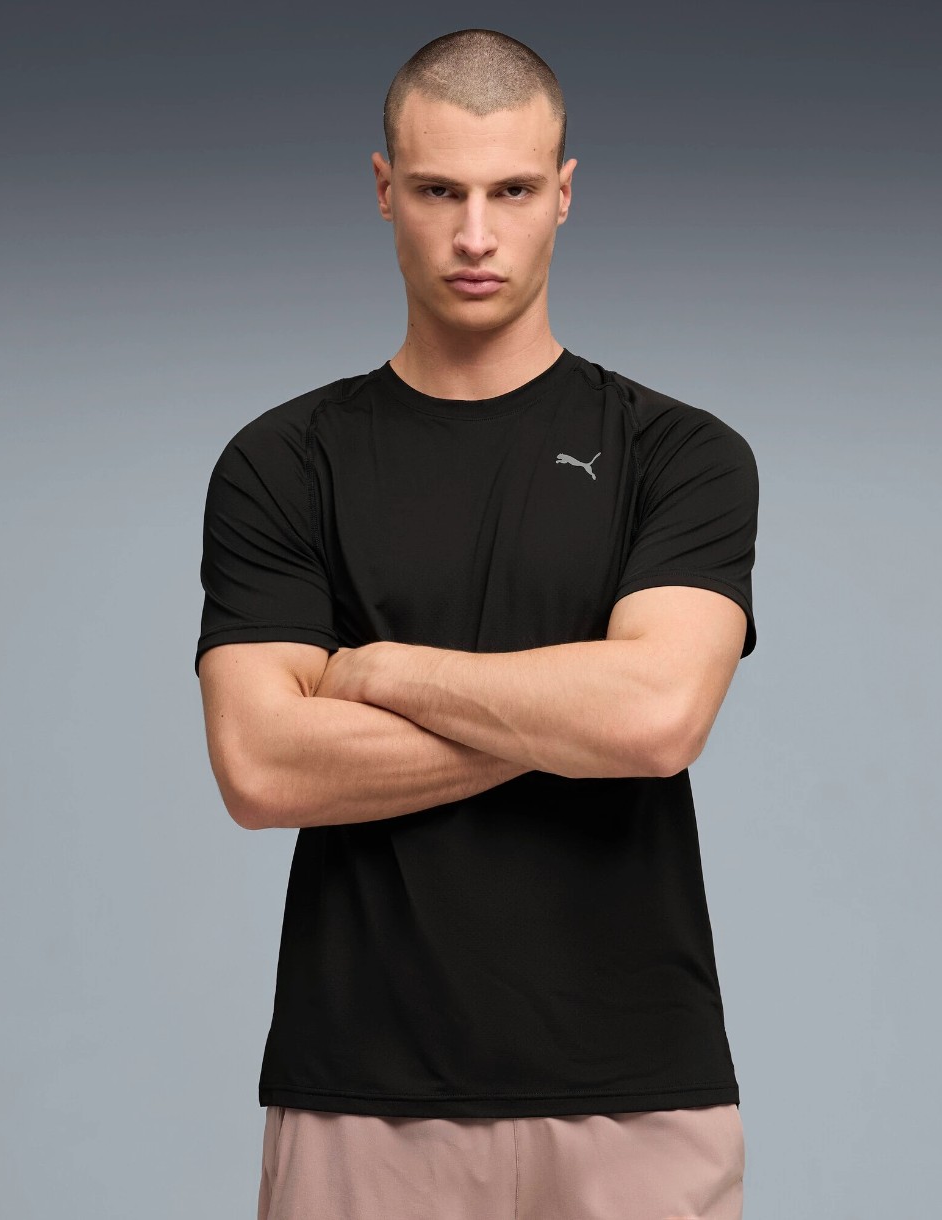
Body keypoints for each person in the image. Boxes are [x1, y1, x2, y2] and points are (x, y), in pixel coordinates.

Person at [195, 26, 757, 1220]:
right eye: (438, 190)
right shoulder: (282, 463)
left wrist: (382, 670)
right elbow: (260, 764)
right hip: (360, 1097)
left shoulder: (679, 454)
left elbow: (657, 719)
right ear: (383, 189)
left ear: (563, 194)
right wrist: (571, 717)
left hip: (636, 1096)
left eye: (510, 191)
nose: (473, 235)